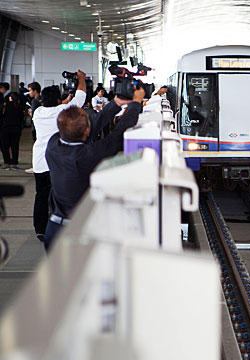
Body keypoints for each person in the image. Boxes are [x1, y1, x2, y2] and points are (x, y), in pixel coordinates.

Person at [44, 86, 145, 250]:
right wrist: (136, 103)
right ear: (86, 130)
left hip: (54, 229)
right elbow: (118, 134)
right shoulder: (88, 155)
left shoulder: (53, 145)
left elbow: (86, 129)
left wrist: (115, 103)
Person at [31, 70, 87, 242]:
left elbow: (54, 106)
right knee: (59, 195)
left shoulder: (38, 112)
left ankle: (40, 228)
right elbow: (81, 97)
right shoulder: (62, 111)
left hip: (39, 160)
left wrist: (63, 102)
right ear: (58, 100)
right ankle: (59, 227)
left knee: (41, 194)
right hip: (57, 161)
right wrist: (82, 79)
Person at [0, 92, 24, 170]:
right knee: (15, 146)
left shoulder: (5, 105)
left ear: (10, 98)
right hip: (16, 129)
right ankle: (14, 163)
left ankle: (6, 163)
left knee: (5, 146)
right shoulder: (19, 106)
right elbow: (21, 118)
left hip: (5, 129)